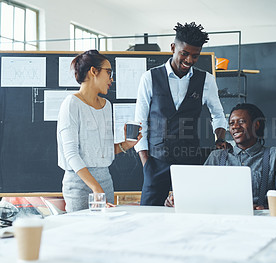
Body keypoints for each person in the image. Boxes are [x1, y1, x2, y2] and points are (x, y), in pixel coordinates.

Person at [135, 22, 229, 206]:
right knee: (149, 214)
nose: (189, 60)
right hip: (156, 161)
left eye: (195, 56)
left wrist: (220, 139)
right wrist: (147, 164)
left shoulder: (206, 80)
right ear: (173, 48)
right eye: (184, 53)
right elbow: (140, 123)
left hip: (190, 161)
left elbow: (218, 114)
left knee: (190, 212)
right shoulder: (149, 77)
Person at [165, 103, 276, 210]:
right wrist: (178, 199)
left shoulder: (274, 155)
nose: (235, 127)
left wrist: (265, 208)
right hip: (223, 222)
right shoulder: (216, 157)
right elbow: (200, 194)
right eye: (231, 123)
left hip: (260, 223)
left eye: (241, 122)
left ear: (256, 125)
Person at [57, 50, 141, 212]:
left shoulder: (106, 105)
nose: (112, 79)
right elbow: (71, 154)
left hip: (105, 182)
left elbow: (102, 152)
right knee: (82, 234)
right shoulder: (71, 104)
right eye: (108, 72)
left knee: (104, 233)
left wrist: (126, 144)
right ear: (93, 71)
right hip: (79, 186)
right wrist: (96, 188)